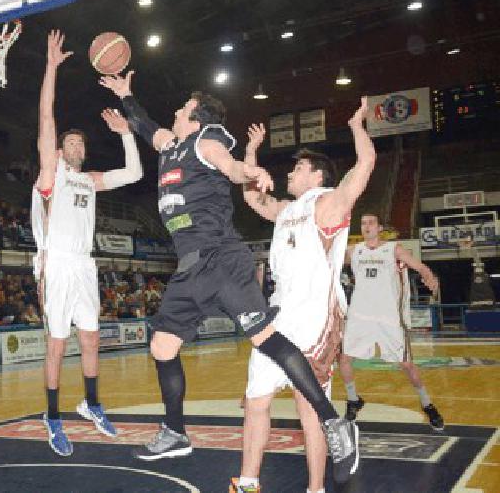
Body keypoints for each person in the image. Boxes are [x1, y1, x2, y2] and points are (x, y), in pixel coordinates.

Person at [100, 71, 359, 483]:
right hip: (188, 268)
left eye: (182, 108)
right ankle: (175, 432)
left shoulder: (207, 141)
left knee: (267, 340)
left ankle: (332, 421)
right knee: (162, 347)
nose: (175, 112)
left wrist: (250, 173)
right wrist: (127, 96)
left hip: (221, 257)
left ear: (196, 118)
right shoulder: (171, 144)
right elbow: (146, 125)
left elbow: (230, 166)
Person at [231, 99, 375, 493]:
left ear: (316, 176)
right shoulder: (287, 210)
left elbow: (364, 166)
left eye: (297, 168)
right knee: (256, 400)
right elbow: (250, 198)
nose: (290, 173)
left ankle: (315, 488)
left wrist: (357, 125)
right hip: (277, 316)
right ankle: (247, 482)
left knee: (309, 411)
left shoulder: (328, 204)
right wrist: (250, 155)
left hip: (314, 318)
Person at [32, 30, 143, 457]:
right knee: (58, 344)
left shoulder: (89, 180)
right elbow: (46, 119)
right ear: (59, 151)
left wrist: (126, 132)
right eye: (70, 142)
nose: (77, 144)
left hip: (84, 264)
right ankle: (53, 415)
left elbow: (133, 173)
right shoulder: (51, 175)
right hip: (55, 264)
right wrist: (51, 67)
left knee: (92, 339)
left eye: (81, 141)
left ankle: (91, 402)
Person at [338, 213, 444, 429]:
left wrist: (428, 274)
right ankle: (353, 400)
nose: (367, 226)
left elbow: (419, 265)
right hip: (360, 315)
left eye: (371, 223)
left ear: (379, 228)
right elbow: (327, 259)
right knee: (344, 359)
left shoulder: (393, 249)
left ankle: (427, 404)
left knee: (406, 364)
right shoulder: (354, 251)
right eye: (363, 223)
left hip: (388, 317)